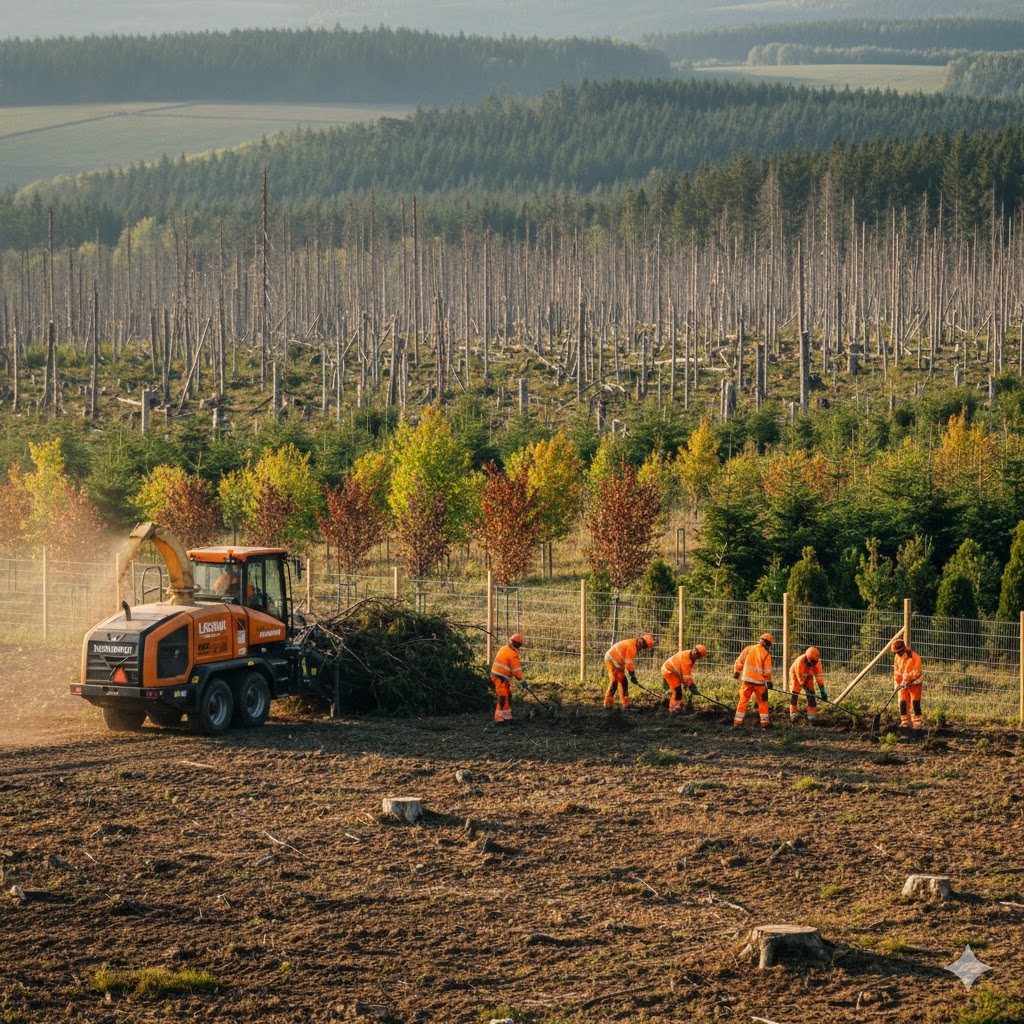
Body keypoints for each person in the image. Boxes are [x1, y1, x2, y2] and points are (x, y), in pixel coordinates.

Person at [733, 632, 773, 729]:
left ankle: (737, 723)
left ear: (761, 640)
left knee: (743, 701)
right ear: (768, 644)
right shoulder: (766, 654)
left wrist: (737, 672)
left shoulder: (748, 649)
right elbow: (767, 671)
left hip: (746, 681)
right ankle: (765, 724)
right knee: (763, 702)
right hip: (759, 683)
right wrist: (768, 682)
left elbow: (739, 661)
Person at [604, 634, 655, 708]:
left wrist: (632, 675)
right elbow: (629, 663)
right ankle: (608, 703)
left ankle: (625, 703)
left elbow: (628, 662)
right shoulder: (632, 647)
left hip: (618, 661)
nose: (641, 648)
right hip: (611, 659)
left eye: (644, 647)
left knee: (623, 681)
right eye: (643, 645)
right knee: (614, 680)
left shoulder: (633, 644)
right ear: (641, 640)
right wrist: (632, 675)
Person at [662, 644, 707, 714]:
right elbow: (686, 677)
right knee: (677, 690)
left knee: (678, 691)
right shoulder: (686, 658)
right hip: (668, 671)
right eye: (695, 650)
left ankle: (677, 706)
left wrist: (688, 684)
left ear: (699, 657)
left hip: (674, 672)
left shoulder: (691, 658)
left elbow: (686, 674)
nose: (694, 652)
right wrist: (692, 686)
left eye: (697, 653)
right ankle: (673, 709)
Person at [490, 633, 524, 723]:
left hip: (499, 676)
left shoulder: (503, 649)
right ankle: (498, 719)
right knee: (503, 696)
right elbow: (516, 670)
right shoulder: (513, 655)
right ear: (519, 645)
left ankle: (507, 716)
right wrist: (522, 681)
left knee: (507, 694)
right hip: (500, 677)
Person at [891, 636, 923, 730]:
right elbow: (897, 671)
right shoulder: (897, 658)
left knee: (915, 702)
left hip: (915, 683)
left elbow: (916, 672)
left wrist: (907, 680)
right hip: (903, 684)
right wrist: (897, 683)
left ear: (903, 649)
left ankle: (916, 723)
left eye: (899, 651)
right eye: (896, 652)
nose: (898, 653)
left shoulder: (915, 657)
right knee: (903, 701)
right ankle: (905, 722)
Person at [789, 646, 826, 724]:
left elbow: (819, 677)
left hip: (808, 675)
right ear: (808, 659)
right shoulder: (800, 662)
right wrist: (807, 690)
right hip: (796, 675)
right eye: (811, 662)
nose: (813, 663)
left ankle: (811, 716)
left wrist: (822, 690)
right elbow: (800, 680)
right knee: (794, 693)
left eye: (814, 662)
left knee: (811, 695)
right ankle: (793, 714)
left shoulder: (817, 662)